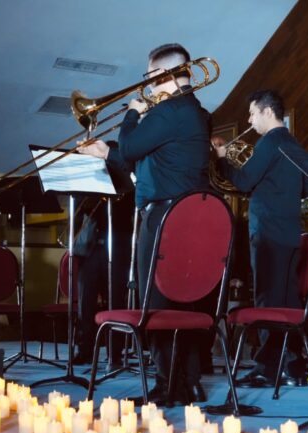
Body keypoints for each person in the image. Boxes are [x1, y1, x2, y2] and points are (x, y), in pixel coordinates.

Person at [79, 43, 211, 405]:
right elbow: (150, 161)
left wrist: (133, 114)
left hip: (164, 217)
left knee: (158, 304)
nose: (148, 86)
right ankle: (187, 382)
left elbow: (133, 145)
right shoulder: (193, 111)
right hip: (184, 215)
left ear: (164, 74)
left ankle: (167, 387)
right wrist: (106, 153)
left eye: (150, 77)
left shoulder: (166, 111)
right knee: (182, 302)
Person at [213, 89, 308, 387]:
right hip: (291, 232)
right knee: (288, 299)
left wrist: (221, 160)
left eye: (253, 113)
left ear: (268, 112)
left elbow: (243, 181)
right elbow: (306, 190)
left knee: (267, 299)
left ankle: (267, 368)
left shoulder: (269, 142)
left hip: (267, 231)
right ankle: (293, 366)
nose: (249, 119)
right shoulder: (294, 143)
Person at [72, 147, 135, 366]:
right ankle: (85, 349)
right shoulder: (89, 184)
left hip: (118, 248)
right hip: (91, 249)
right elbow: (80, 213)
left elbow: (127, 217)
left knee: (115, 302)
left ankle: (115, 352)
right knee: (86, 303)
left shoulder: (126, 184)